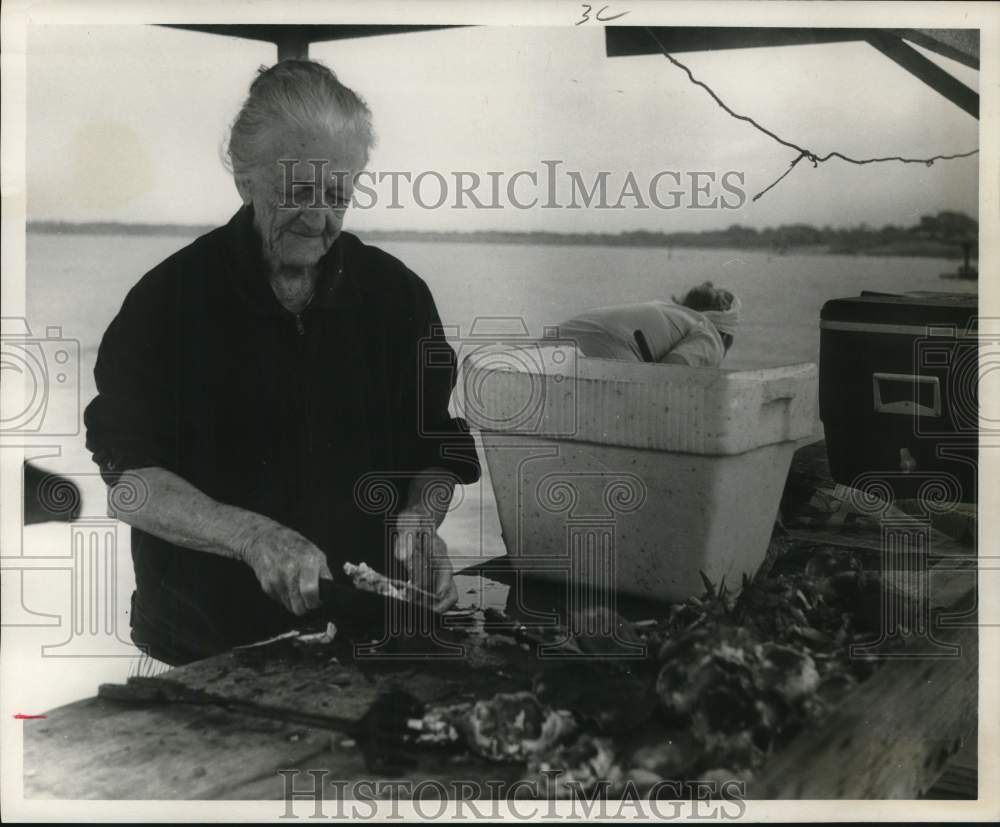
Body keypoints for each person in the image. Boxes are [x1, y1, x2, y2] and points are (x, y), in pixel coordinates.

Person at [84, 60, 480, 665]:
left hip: (364, 637)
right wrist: (253, 538)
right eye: (298, 192)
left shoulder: (396, 298)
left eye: (338, 195)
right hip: (200, 650)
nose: (320, 219)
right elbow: (130, 484)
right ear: (245, 178)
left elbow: (434, 448)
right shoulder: (167, 301)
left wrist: (421, 523)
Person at [557, 282, 741, 367]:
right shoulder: (710, 333)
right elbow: (671, 373)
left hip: (554, 341)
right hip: (601, 353)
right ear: (726, 336)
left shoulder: (665, 311)